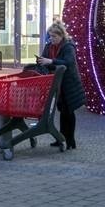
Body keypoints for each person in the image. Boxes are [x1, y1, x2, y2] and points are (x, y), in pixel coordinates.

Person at [35, 22, 85, 150]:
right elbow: (45, 59)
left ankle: (70, 140)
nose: (51, 39)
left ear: (61, 36)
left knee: (69, 111)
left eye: (54, 37)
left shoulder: (68, 46)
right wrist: (41, 61)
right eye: (50, 36)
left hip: (69, 83)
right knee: (62, 111)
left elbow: (68, 62)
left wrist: (51, 61)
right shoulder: (49, 46)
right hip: (56, 83)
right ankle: (61, 138)